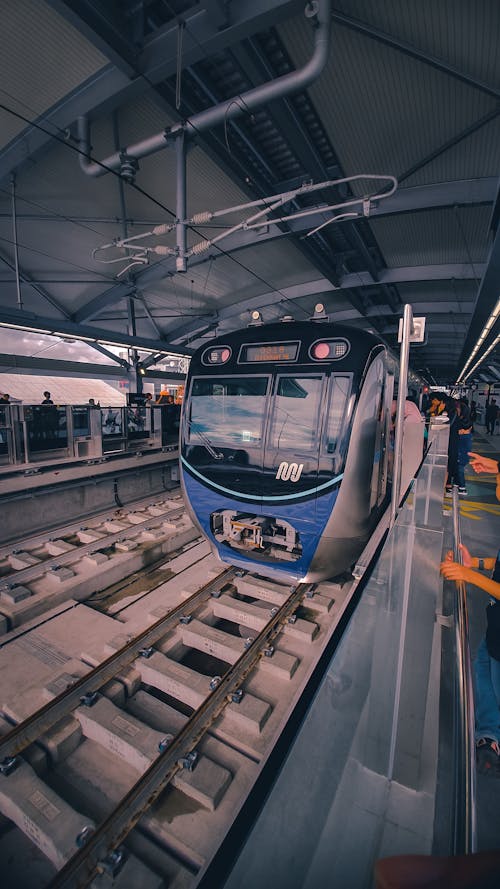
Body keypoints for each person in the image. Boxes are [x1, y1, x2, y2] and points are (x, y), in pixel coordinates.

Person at [440, 451, 500, 775]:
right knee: (483, 675)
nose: (495, 483)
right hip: (495, 629)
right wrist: (475, 561)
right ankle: (489, 737)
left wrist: (468, 576)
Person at [445, 397, 472, 496]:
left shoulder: (463, 424)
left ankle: (462, 487)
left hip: (461, 451)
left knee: (459, 469)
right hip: (461, 451)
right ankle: (456, 485)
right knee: (457, 468)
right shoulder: (464, 422)